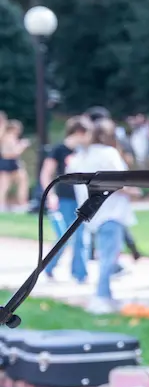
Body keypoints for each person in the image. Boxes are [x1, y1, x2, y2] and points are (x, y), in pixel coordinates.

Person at [71, 118, 137, 314]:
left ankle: (106, 294)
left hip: (92, 213)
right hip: (112, 212)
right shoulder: (109, 154)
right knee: (109, 256)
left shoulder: (81, 156)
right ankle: (100, 297)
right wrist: (135, 191)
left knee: (106, 255)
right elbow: (119, 181)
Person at [40, 115, 93, 283]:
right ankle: (49, 266)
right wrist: (51, 195)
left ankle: (80, 273)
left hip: (81, 198)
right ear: (79, 132)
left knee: (81, 236)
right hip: (64, 198)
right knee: (63, 235)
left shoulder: (84, 151)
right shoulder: (59, 150)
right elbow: (46, 174)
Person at [0, 118, 31, 212]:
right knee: (5, 185)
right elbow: (14, 152)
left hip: (10, 162)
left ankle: (21, 203)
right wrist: (23, 145)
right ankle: (21, 203)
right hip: (8, 162)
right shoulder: (9, 137)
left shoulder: (6, 136)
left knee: (20, 181)